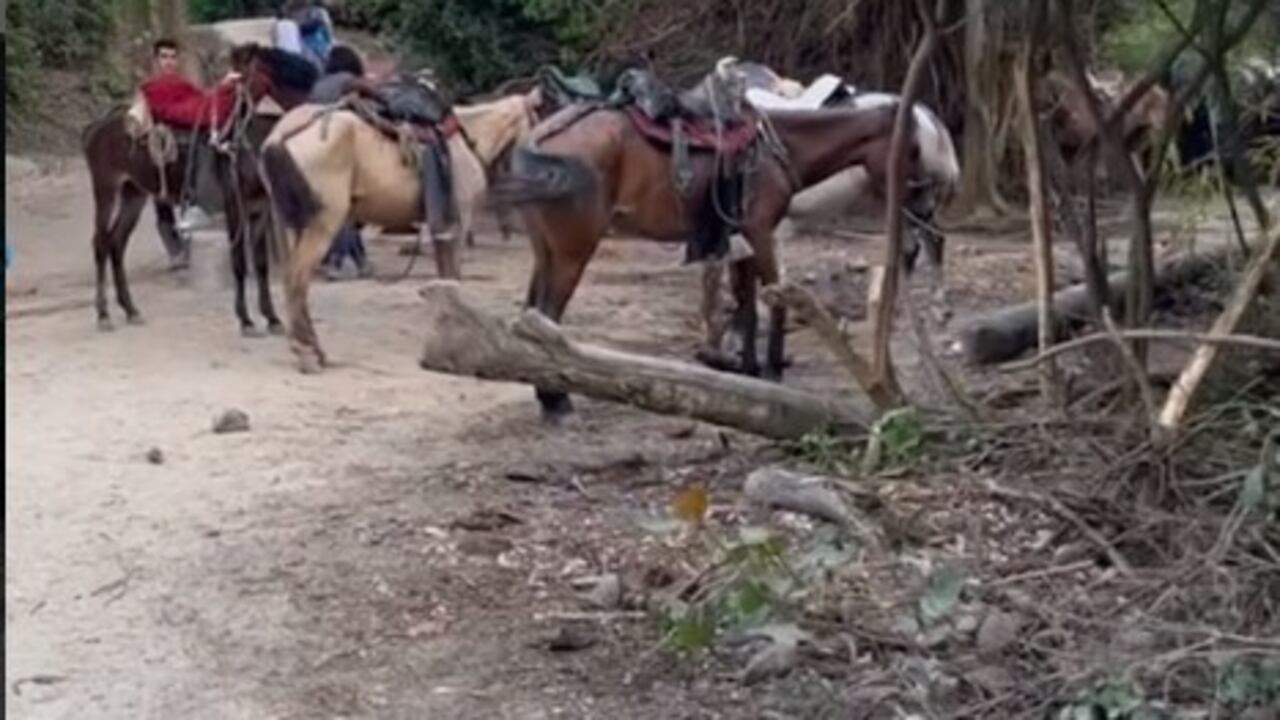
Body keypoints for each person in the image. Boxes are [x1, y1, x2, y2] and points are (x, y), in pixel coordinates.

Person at [139, 39, 244, 232]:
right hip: (174, 126)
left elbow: (199, 98)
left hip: (190, 116)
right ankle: (203, 203)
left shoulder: (182, 83)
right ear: (156, 61)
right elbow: (173, 110)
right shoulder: (152, 87)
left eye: (172, 57)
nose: (169, 62)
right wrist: (211, 101)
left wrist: (221, 89)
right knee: (206, 141)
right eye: (164, 57)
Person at [312, 45, 372, 278]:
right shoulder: (348, 81)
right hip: (339, 150)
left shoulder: (318, 85)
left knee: (336, 208)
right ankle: (341, 260)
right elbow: (374, 95)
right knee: (343, 209)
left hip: (317, 149)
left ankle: (357, 258)